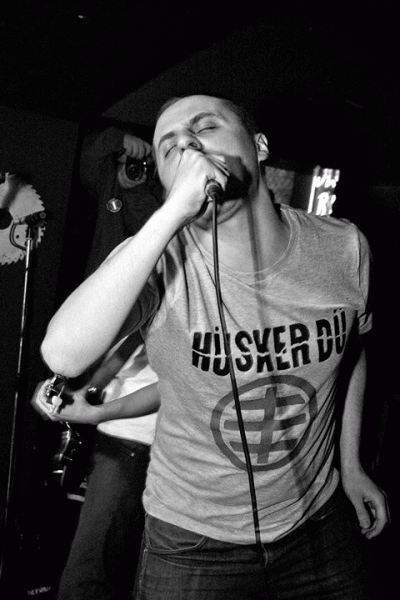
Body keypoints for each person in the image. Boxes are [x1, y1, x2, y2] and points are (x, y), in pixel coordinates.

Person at [40, 94, 390, 599]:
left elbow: (352, 351)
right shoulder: (160, 260)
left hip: (317, 520)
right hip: (193, 541)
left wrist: (351, 465)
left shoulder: (344, 247)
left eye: (204, 128)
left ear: (259, 146)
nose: (187, 145)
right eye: (169, 148)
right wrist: (173, 213)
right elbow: (63, 354)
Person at [32, 126, 161, 600]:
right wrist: (82, 387)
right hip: (124, 434)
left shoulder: (176, 237)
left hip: (154, 438)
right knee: (92, 574)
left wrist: (96, 401)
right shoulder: (125, 234)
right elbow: (129, 337)